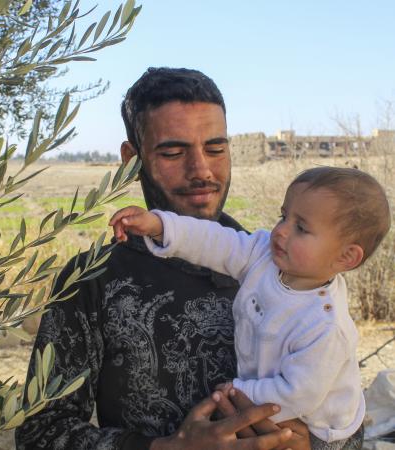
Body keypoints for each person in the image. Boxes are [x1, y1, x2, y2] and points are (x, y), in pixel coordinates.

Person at [15, 67, 312, 449]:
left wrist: (313, 442)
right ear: (131, 160)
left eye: (216, 149)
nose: (202, 171)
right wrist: (166, 448)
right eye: (173, 152)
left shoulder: (287, 268)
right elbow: (40, 434)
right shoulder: (93, 280)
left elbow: (345, 418)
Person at [110, 166, 391, 449]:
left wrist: (240, 391)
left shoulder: (325, 327)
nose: (280, 231)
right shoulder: (263, 257)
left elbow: (298, 393)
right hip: (272, 401)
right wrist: (161, 226)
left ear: (346, 257)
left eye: (301, 228)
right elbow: (216, 241)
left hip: (321, 428)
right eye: (284, 216)